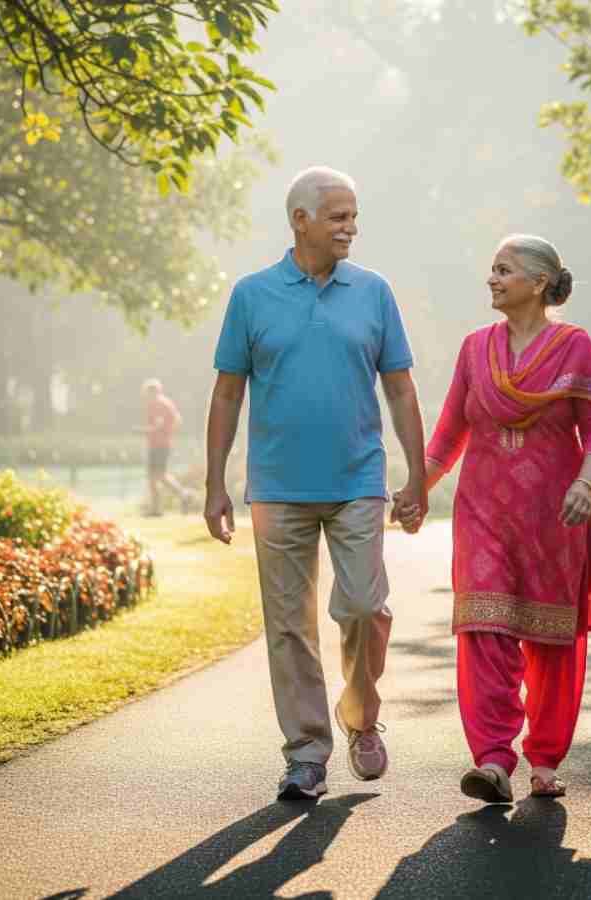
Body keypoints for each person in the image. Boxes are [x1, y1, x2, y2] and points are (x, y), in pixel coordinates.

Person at [204, 166, 427, 802]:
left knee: (362, 607)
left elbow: (401, 387)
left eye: (353, 215)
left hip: (358, 479)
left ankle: (359, 716)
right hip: (276, 487)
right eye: (337, 216)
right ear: (299, 220)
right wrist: (217, 484)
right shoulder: (251, 295)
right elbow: (227, 394)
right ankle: (305, 752)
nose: (350, 226)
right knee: (289, 624)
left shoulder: (374, 292)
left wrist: (417, 472)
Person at [397, 234, 591, 803]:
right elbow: (451, 431)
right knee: (484, 628)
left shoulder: (575, 347)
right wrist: (415, 488)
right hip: (482, 512)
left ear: (538, 282)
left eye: (503, 270)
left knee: (550, 638)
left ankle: (545, 756)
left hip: (555, 514)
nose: (493, 280)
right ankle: (494, 759)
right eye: (492, 271)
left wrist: (586, 481)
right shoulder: (475, 348)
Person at [138, 379, 192, 516]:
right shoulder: (165, 404)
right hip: (161, 444)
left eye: (147, 393)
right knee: (158, 476)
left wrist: (142, 431)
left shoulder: (159, 405)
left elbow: (158, 426)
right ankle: (181, 495)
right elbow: (177, 420)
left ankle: (159, 508)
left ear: (152, 392)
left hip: (158, 445)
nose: (146, 397)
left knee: (155, 476)